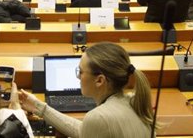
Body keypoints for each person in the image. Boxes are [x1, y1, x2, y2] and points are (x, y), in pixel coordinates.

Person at [19, 42, 153, 138]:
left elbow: (89, 127)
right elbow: (84, 131)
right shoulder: (134, 101)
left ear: (100, 80)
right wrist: (38, 107)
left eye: (81, 72)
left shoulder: (98, 117)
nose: (78, 77)